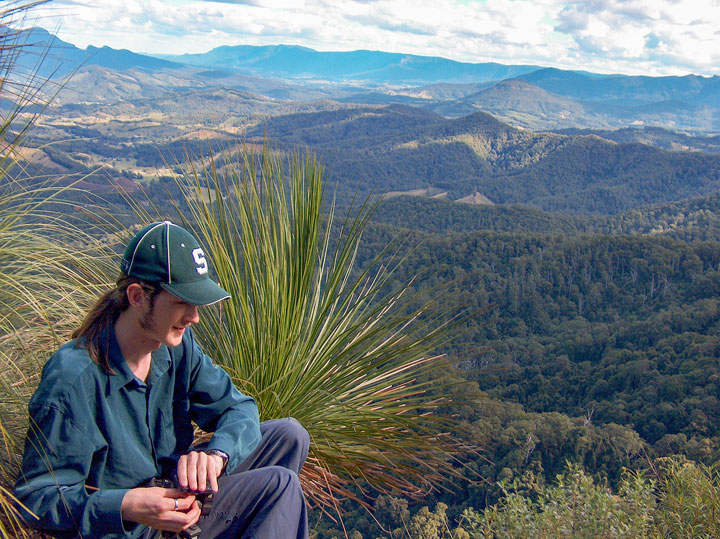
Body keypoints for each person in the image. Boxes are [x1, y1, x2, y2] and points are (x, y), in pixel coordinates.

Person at [13, 221, 309, 538]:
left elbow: (238, 408)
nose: (194, 317)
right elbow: (35, 500)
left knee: (290, 435)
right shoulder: (74, 379)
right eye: (181, 302)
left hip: (176, 498)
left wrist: (216, 456)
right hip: (135, 527)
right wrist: (125, 505)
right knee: (280, 485)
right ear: (138, 296)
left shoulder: (177, 348)